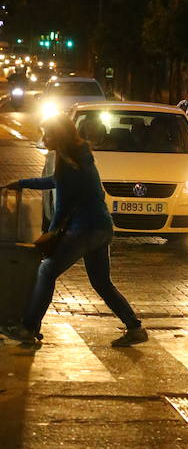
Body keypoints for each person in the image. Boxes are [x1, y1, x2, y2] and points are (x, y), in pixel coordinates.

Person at [0, 115, 147, 348]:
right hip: (102, 227)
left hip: (84, 229)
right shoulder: (79, 157)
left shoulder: (68, 162)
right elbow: (55, 181)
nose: (43, 138)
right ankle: (134, 327)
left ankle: (28, 328)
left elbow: (63, 206)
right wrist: (23, 182)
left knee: (47, 271)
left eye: (46, 133)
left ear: (57, 135)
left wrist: (49, 235)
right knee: (101, 282)